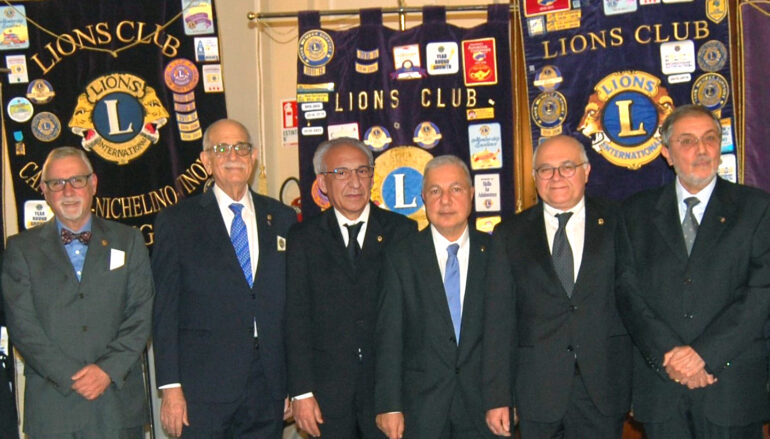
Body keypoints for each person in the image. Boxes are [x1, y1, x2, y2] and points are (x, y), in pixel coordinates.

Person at [619, 104, 770, 438]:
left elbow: (761, 293)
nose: (702, 150)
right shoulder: (635, 214)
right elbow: (628, 294)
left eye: (710, 138)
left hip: (731, 389)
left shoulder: (757, 209)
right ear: (666, 153)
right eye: (687, 141)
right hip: (663, 388)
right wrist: (673, 358)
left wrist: (703, 355)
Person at [152, 119, 296, 438]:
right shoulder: (177, 222)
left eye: (241, 148)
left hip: (267, 384)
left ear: (253, 156)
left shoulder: (282, 218)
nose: (233, 156)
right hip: (203, 388)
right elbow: (165, 310)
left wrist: (292, 384)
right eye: (221, 149)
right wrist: (170, 388)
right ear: (206, 161)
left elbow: (292, 308)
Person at [482, 136, 633, 439]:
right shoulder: (509, 234)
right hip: (537, 391)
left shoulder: (619, 221)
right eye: (546, 169)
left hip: (604, 387)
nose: (556, 177)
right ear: (534, 177)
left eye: (567, 167)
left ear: (586, 171)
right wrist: (498, 396)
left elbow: (636, 304)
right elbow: (499, 321)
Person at [1, 147, 154, 438]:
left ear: (93, 184)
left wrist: (106, 371)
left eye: (77, 180)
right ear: (45, 191)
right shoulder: (20, 249)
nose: (68, 191)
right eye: (57, 183)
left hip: (117, 404)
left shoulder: (129, 240)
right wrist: (72, 377)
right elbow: (23, 327)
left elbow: (141, 313)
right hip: (53, 409)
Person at [286, 137, 415, 438]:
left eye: (362, 171)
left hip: (387, 394)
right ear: (322, 182)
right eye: (341, 173)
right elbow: (296, 319)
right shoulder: (303, 238)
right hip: (326, 395)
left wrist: (399, 395)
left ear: (372, 177)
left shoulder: (402, 233)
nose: (354, 182)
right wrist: (301, 392)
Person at [374, 155, 494, 439]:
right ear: (423, 199)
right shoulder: (400, 257)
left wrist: (508, 398)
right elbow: (389, 336)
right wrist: (389, 405)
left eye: (456, 189)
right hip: (421, 409)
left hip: (485, 408)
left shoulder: (496, 252)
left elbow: (510, 335)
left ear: (472, 194)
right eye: (435, 191)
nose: (446, 200)